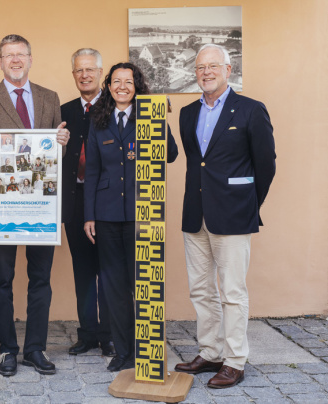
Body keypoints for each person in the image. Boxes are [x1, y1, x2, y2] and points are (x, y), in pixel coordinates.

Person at [0, 34, 70, 377]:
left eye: (20, 54)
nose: (15, 60)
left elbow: (54, 158)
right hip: (1, 208)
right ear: (0, 61)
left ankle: (35, 349)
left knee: (41, 279)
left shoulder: (49, 97)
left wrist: (62, 144)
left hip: (41, 207)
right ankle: (9, 349)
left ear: (30, 58)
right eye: (8, 55)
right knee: (3, 281)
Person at [174, 44, 276, 389]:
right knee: (201, 290)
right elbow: (196, 164)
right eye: (200, 67)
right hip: (195, 214)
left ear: (228, 70)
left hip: (233, 214)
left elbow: (266, 164)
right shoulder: (187, 113)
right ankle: (210, 351)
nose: (206, 72)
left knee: (232, 291)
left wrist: (248, 202)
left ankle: (235, 361)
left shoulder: (250, 110)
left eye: (213, 66)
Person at [84, 62, 178, 372]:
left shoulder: (149, 115)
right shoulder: (98, 121)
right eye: (116, 81)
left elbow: (171, 154)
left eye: (129, 81)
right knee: (115, 287)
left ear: (137, 85)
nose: (122, 86)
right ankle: (123, 352)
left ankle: (145, 352)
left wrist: (159, 119)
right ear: (108, 86)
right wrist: (90, 215)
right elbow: (93, 171)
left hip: (144, 212)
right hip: (108, 215)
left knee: (145, 284)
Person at [61, 48, 113, 357]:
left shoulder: (117, 106)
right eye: (79, 71)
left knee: (107, 270)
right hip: (74, 201)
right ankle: (87, 333)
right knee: (82, 270)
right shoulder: (64, 110)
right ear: (74, 75)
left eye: (90, 70)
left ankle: (108, 334)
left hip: (106, 203)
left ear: (100, 73)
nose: (84, 75)